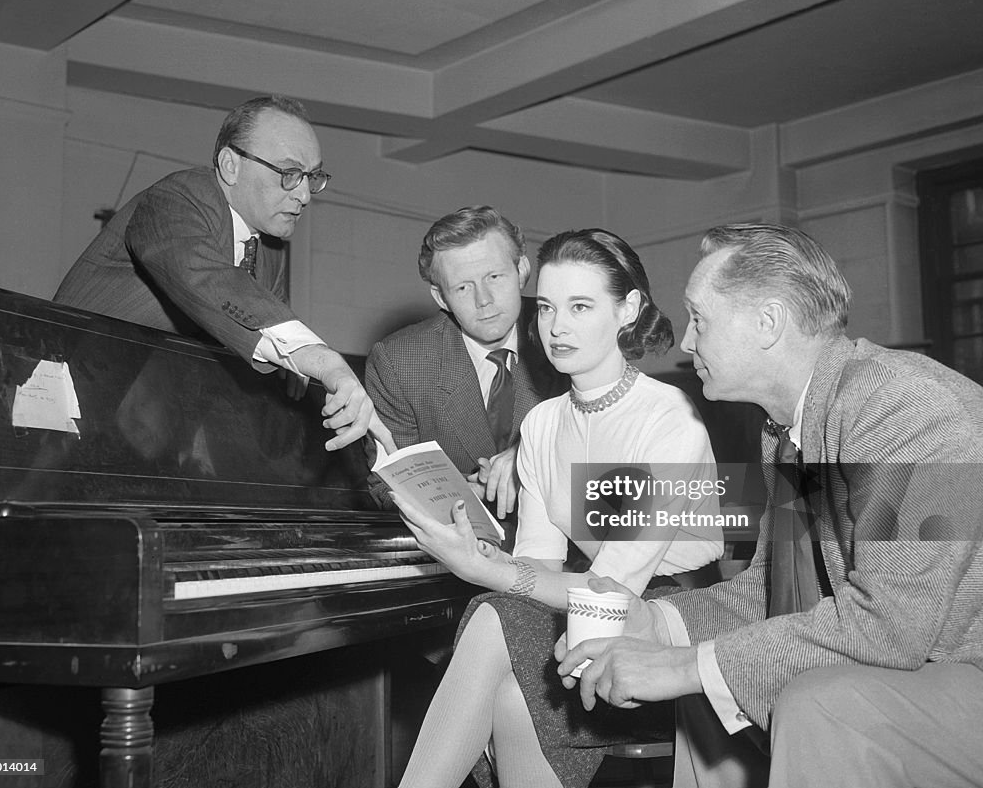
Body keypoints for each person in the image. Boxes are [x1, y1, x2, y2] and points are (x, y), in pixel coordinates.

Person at [558, 223, 983, 788]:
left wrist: (686, 666)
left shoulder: (907, 409)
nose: (685, 343)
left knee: (813, 700)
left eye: (699, 319)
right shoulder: (792, 426)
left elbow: (889, 628)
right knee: (712, 682)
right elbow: (775, 592)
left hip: (961, 669)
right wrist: (658, 623)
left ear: (768, 323)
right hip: (932, 667)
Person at [392, 228, 725, 788]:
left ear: (629, 309)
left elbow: (612, 593)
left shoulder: (669, 418)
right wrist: (482, 556)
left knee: (498, 617)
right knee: (517, 683)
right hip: (582, 602)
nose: (556, 327)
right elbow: (541, 566)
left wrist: (485, 569)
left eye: (580, 306)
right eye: (545, 307)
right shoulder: (543, 423)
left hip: (670, 623)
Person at [54, 94, 391, 453]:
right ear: (230, 165)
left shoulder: (270, 249)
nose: (305, 195)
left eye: (313, 176)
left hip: (139, 431)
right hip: (59, 403)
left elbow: (269, 347)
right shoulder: (177, 199)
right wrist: (325, 362)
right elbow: (207, 280)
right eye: (290, 174)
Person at [365, 206, 565, 533]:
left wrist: (531, 458)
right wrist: (454, 502)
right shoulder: (398, 362)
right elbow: (384, 483)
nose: (483, 300)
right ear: (440, 297)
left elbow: (620, 468)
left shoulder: (569, 334)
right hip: (456, 560)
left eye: (495, 277)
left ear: (523, 271)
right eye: (462, 287)